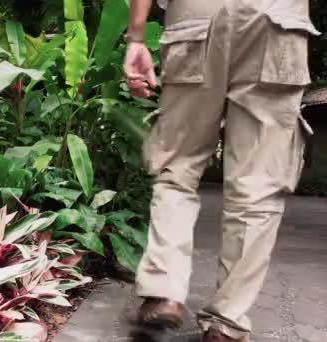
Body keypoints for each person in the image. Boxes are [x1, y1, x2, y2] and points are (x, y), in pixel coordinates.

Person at [123, 0, 320, 341]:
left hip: (197, 15)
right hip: (278, 19)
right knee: (259, 183)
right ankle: (226, 322)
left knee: (178, 163)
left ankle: (165, 289)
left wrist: (136, 37)